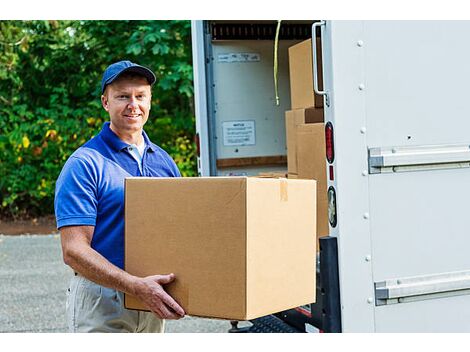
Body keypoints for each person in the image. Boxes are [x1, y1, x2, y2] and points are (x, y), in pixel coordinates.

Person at [54, 60, 186, 333]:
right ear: (105, 102)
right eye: (123, 96)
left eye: (140, 96)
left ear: (150, 101)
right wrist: (132, 284)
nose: (133, 105)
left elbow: (179, 229)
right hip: (102, 298)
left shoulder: (163, 162)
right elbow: (74, 251)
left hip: (152, 296)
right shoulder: (85, 163)